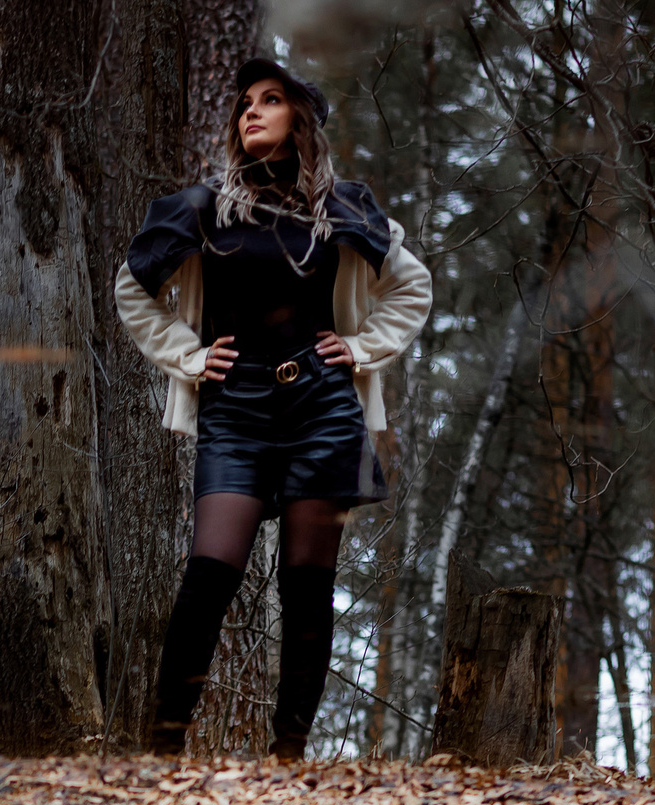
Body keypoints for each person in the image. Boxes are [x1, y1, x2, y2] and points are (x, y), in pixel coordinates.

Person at [113, 59, 434, 761]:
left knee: (307, 586)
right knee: (210, 573)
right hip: (236, 409)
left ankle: (289, 757)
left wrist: (362, 347)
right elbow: (131, 288)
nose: (250, 112)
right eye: (244, 104)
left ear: (301, 119)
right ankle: (162, 750)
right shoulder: (202, 209)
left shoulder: (345, 206)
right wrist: (190, 358)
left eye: (271, 100)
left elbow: (412, 287)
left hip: (322, 406)